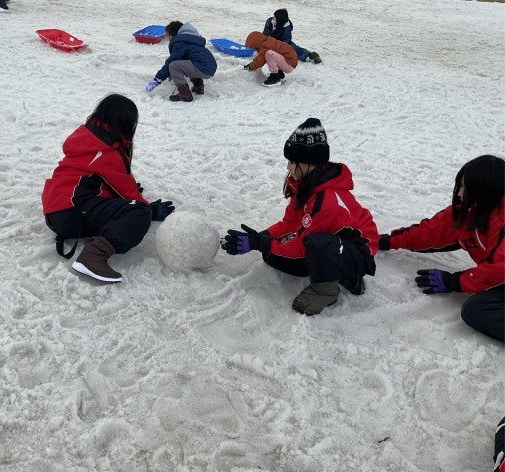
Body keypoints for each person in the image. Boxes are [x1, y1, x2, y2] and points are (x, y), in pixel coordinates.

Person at [222, 118, 379, 315]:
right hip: (330, 241)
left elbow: (302, 243)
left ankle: (328, 288)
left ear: (311, 164)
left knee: (316, 243)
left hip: (358, 251)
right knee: (272, 256)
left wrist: (260, 243)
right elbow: (289, 223)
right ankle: (329, 267)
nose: (288, 168)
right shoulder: (305, 184)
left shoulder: (326, 201)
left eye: (293, 162)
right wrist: (261, 237)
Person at [41, 94, 175, 283]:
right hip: (70, 212)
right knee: (140, 212)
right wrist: (149, 210)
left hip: (58, 210)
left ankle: (96, 240)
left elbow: (98, 180)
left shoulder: (88, 138)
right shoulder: (107, 150)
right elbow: (127, 190)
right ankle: (93, 257)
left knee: (125, 199)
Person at [379, 155, 504, 341]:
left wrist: (454, 281)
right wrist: (387, 241)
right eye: (460, 186)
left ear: (485, 188)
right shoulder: (471, 209)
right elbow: (432, 232)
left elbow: (500, 269)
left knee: (477, 309)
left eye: (466, 187)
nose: (460, 193)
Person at [145, 21, 217, 102]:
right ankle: (198, 86)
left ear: (173, 34)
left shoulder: (180, 42)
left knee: (173, 66)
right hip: (211, 66)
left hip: (202, 67)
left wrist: (157, 79)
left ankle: (185, 94)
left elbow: (171, 61)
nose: (168, 39)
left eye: (168, 35)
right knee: (189, 61)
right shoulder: (191, 39)